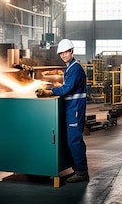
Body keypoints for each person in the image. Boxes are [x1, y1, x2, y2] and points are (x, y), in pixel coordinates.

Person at [36, 39, 89, 183]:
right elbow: (66, 85)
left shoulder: (76, 69)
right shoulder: (69, 68)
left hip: (75, 108)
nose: (64, 55)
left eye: (66, 52)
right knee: (70, 140)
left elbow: (67, 89)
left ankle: (82, 172)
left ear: (71, 51)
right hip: (70, 108)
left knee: (74, 140)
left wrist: (50, 91)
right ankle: (77, 168)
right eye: (61, 53)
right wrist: (54, 86)